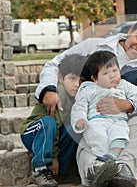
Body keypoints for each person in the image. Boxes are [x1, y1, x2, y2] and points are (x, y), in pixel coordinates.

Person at [34, 16, 137, 187]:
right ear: (130, 30)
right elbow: (54, 63)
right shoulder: (94, 46)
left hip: (125, 117)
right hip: (92, 112)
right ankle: (92, 170)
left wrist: (127, 105)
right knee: (89, 129)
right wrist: (49, 89)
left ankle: (123, 170)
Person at [71, 50, 137, 186]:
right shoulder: (88, 89)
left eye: (115, 71)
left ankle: (121, 169)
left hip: (119, 121)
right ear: (95, 78)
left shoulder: (124, 85)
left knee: (131, 128)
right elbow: (79, 107)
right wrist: (80, 120)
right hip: (96, 121)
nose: (112, 76)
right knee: (95, 136)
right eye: (106, 73)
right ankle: (95, 168)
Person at [20, 54, 87, 187]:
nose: (76, 85)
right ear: (60, 78)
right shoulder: (59, 92)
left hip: (52, 134)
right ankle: (40, 169)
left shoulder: (79, 95)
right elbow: (54, 121)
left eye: (81, 80)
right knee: (49, 123)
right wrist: (54, 156)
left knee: (75, 128)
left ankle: (62, 173)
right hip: (34, 132)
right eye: (72, 78)